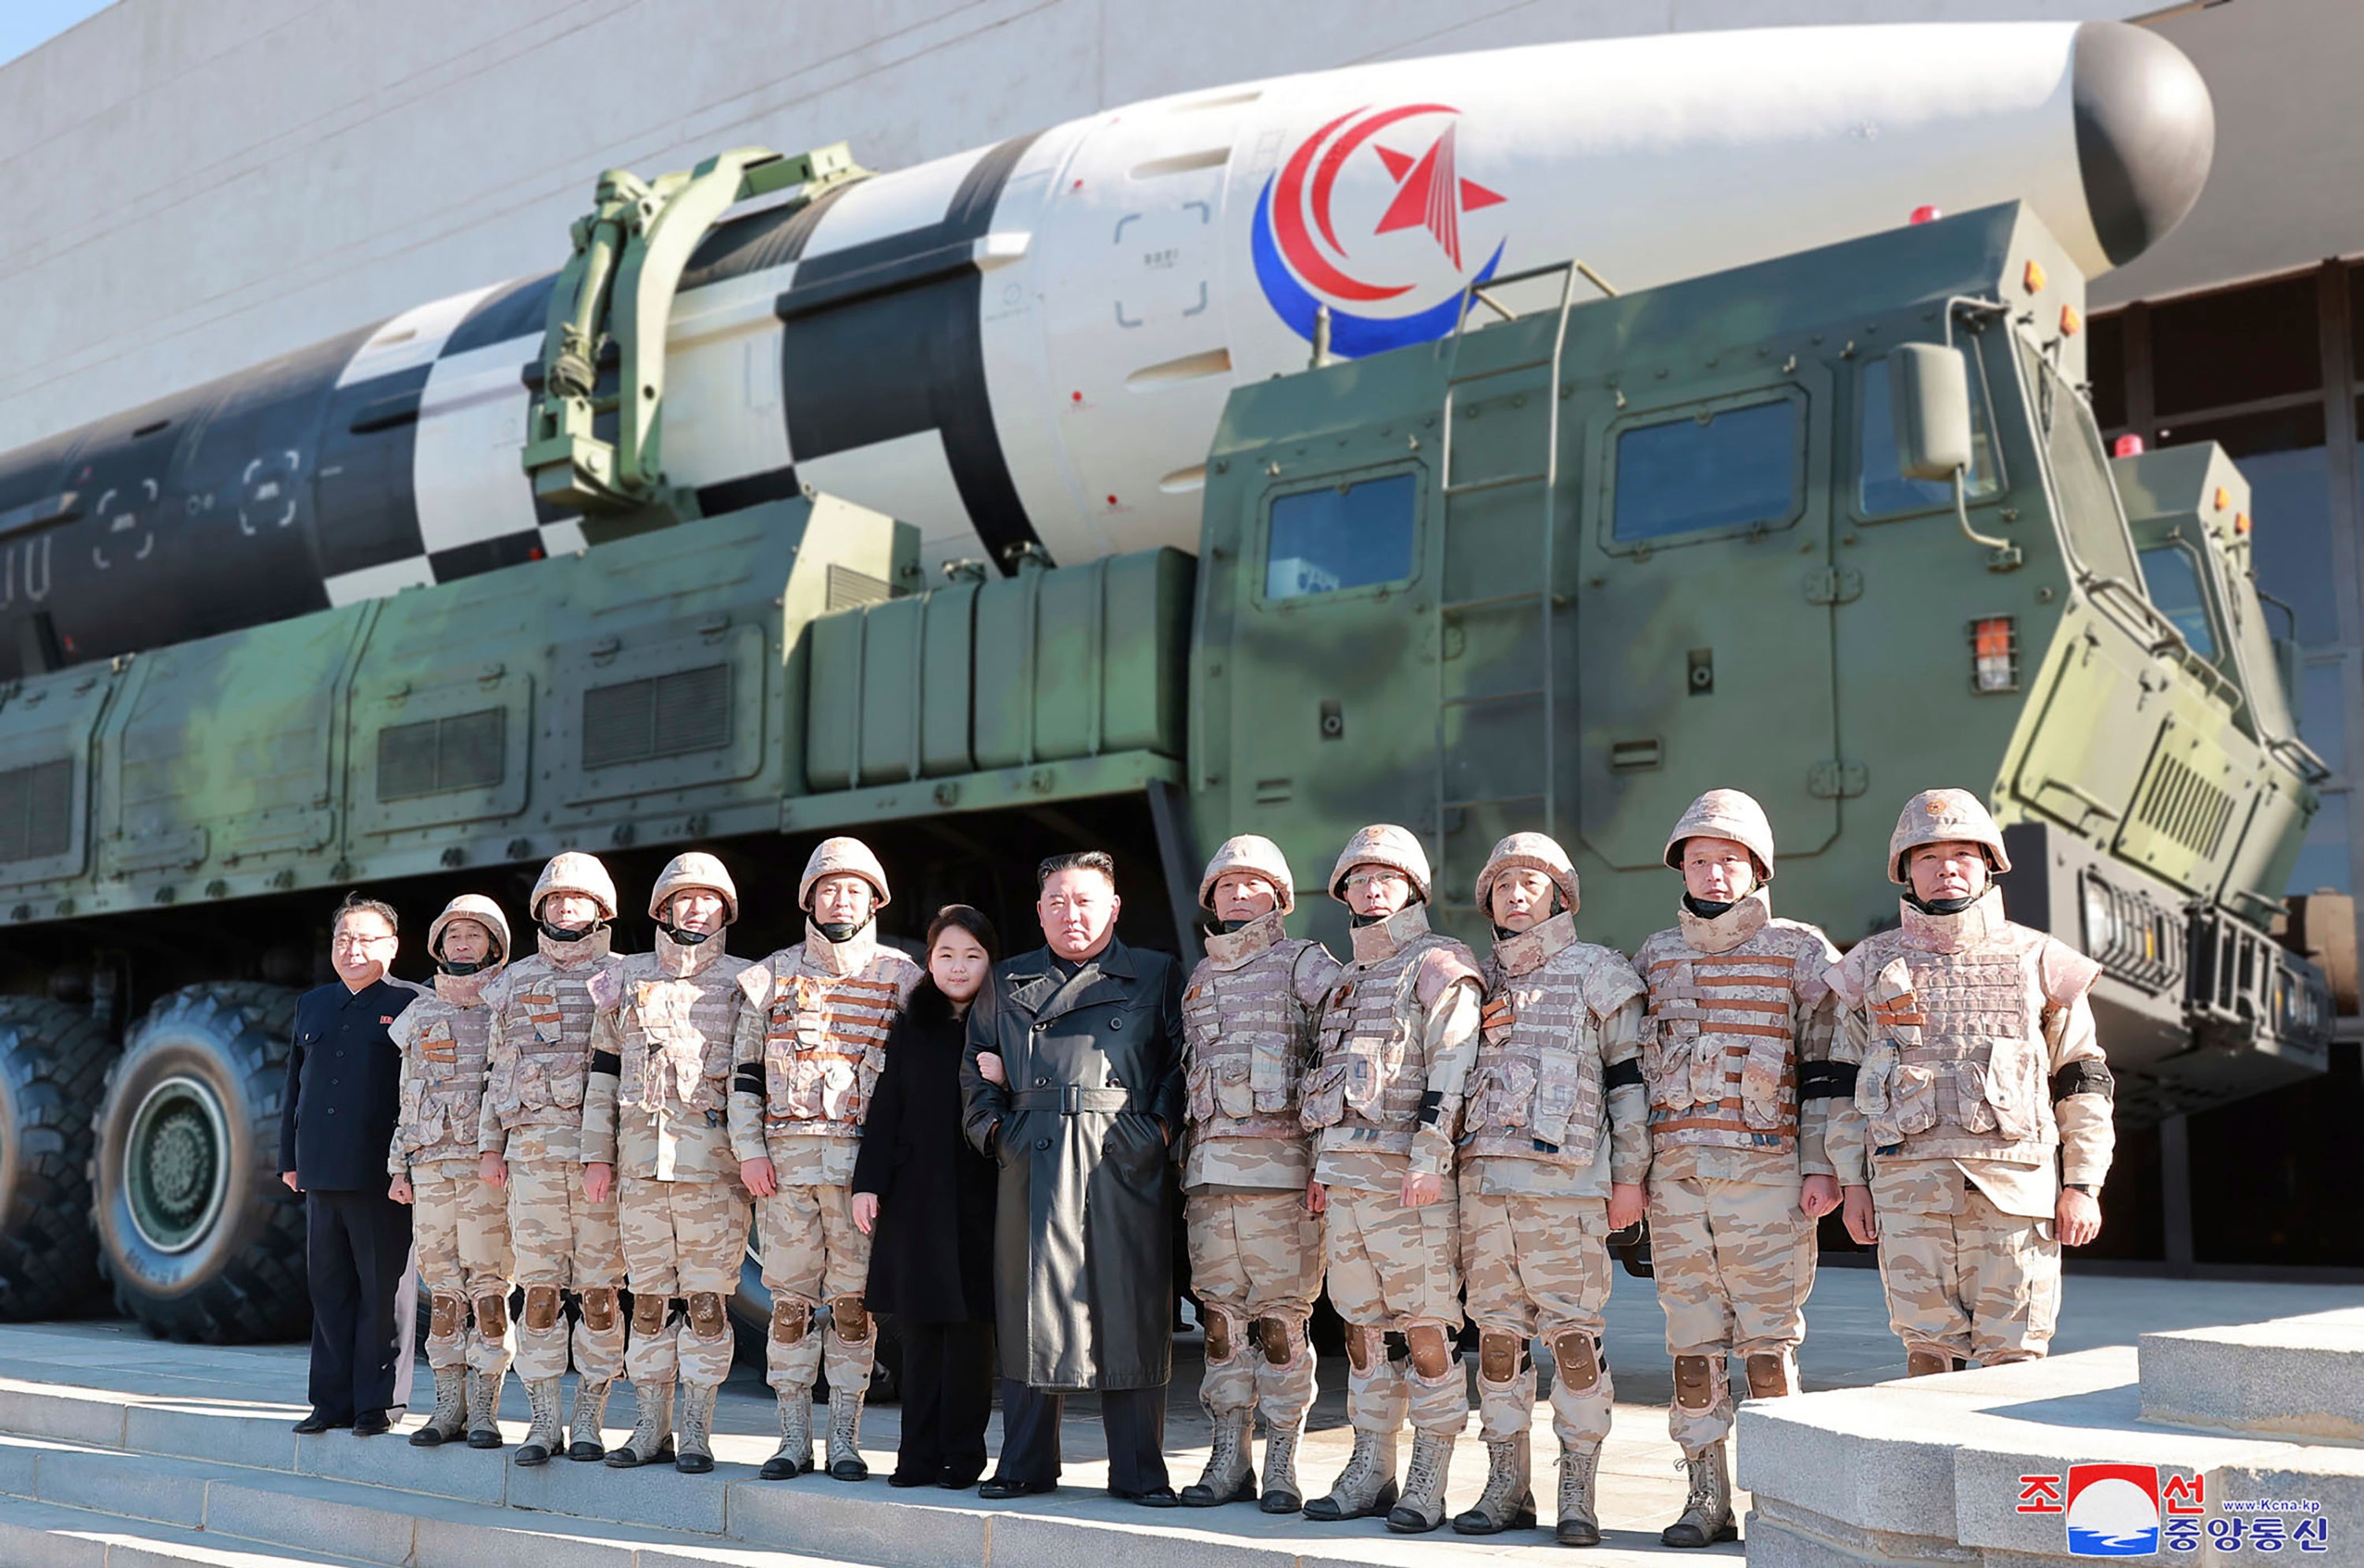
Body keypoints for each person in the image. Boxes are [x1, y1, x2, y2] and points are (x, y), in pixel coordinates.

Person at [1827, 790, 2115, 1377]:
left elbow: (2082, 1079)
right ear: (1906, 870)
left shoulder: (2042, 961)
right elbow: (1843, 1084)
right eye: (1928, 857)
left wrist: (2083, 1184)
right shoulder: (1870, 967)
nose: (1946, 868)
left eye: (1962, 853)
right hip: (1910, 1197)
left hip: (2014, 1199)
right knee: (1927, 1360)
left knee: (2015, 1364)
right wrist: (1852, 1184)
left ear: (1988, 863)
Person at [1631, 791, 1842, 1548]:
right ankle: (1704, 1498)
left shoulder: (1800, 950)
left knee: (1766, 1349)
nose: (1715, 875)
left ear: (1757, 868)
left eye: (1730, 861)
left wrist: (1822, 1166)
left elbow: (1827, 1067)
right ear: (1681, 869)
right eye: (1699, 861)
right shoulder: (1656, 955)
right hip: (1677, 1181)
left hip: (1767, 1180)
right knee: (1690, 1346)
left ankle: (1780, 1503)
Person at [961, 850, 1187, 1506]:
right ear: (1039, 912)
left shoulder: (1155, 973)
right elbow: (975, 1072)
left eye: (1085, 900)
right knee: (1033, 1306)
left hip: (1123, 1152)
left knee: (1134, 1307)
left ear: (1113, 908)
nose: (1071, 914)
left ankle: (1142, 1471)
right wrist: (999, 1135)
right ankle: (1026, 1464)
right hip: (1035, 1153)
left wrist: (1159, 1131)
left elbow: (1182, 1062)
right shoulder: (1006, 981)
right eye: (1056, 901)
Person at [1454, 833, 1648, 1547]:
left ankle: (1578, 1492)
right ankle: (1506, 1487)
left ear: (1560, 897)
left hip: (1566, 1196)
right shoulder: (1477, 982)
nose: (1513, 894)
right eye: (1502, 884)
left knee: (1572, 1343)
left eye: (1529, 883)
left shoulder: (1598, 973)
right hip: (1485, 1195)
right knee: (1499, 1345)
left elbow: (1630, 1088)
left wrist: (1628, 1180)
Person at [1299, 824, 1482, 1533]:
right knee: (1363, 1333)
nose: (1374, 890)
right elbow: (1331, 1082)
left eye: (1389, 879)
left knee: (1428, 1330)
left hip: (1411, 1185)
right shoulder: (1348, 980)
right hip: (1346, 1182)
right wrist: (1321, 1168)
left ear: (1413, 888)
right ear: (1343, 891)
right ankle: (1370, 1465)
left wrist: (1431, 1159)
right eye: (1361, 879)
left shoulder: (1438, 962)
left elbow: (1454, 1067)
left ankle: (1428, 1475)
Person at [730, 837, 922, 1481]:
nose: (840, 899)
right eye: (828, 888)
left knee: (851, 1307)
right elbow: (745, 1077)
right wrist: (750, 1151)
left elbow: (916, 1082)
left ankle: (844, 1439)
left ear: (875, 900)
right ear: (809, 898)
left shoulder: (902, 978)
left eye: (853, 889)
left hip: (860, 1179)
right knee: (787, 1307)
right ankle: (791, 1440)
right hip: (783, 1173)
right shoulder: (769, 976)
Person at [1170, 835, 1337, 1513]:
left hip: (1283, 1182)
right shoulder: (1201, 979)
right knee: (1219, 1325)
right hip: (1211, 1184)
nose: (1239, 896)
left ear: (1279, 897)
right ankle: (1227, 1457)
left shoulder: (1307, 966)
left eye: (1253, 885)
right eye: (1227, 887)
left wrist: (1326, 1166)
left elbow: (1336, 1067)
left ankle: (1283, 1462)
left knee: (1280, 1327)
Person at [583, 853, 753, 1474]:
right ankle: (648, 1430)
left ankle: (698, 1432)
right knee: (649, 1303)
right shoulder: (624, 979)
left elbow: (755, 1078)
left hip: (715, 1172)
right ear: (661, 909)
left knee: (707, 1304)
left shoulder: (747, 982)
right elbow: (601, 1074)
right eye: (682, 898)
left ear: (725, 911)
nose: (694, 908)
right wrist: (595, 1156)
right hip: (639, 1168)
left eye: (708, 899)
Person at [478, 852, 629, 1466]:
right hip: (531, 1157)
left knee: (599, 1293)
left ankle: (589, 1421)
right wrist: (491, 1145)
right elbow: (494, 1068)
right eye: (556, 900)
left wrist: (607, 1154)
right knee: (539, 1293)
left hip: (600, 1161)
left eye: (579, 899)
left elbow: (627, 1069)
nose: (567, 909)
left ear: (601, 909)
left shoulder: (624, 977)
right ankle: (543, 1423)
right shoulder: (510, 982)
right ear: (541, 909)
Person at [850, 905, 1002, 1490]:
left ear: (990, 961)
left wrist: (1007, 1073)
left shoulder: (1006, 1023)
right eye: (945, 955)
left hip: (982, 1198)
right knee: (919, 1331)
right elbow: (886, 1106)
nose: (958, 966)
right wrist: (869, 1182)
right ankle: (915, 1457)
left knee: (970, 1333)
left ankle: (962, 1458)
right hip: (915, 1198)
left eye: (972, 955)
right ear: (929, 963)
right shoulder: (912, 1022)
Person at [281, 893, 426, 1437]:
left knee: (384, 1295)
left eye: (366, 939)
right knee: (330, 1290)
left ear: (391, 945)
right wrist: (288, 1159)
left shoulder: (415, 1003)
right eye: (344, 939)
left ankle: (379, 1405)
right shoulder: (313, 1005)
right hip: (320, 1170)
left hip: (382, 1175)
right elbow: (294, 1086)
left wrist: (407, 1168)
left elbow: (422, 1095)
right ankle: (330, 1402)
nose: (353, 949)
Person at [388, 894, 515, 1451]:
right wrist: (399, 1166)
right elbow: (406, 1096)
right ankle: (447, 1408)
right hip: (432, 1166)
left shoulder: (508, 1004)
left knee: (489, 1287)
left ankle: (484, 1410)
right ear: (439, 946)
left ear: (495, 945)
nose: (463, 944)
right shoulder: (418, 1016)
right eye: (454, 935)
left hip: (488, 1170)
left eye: (475, 935)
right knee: (444, 1290)